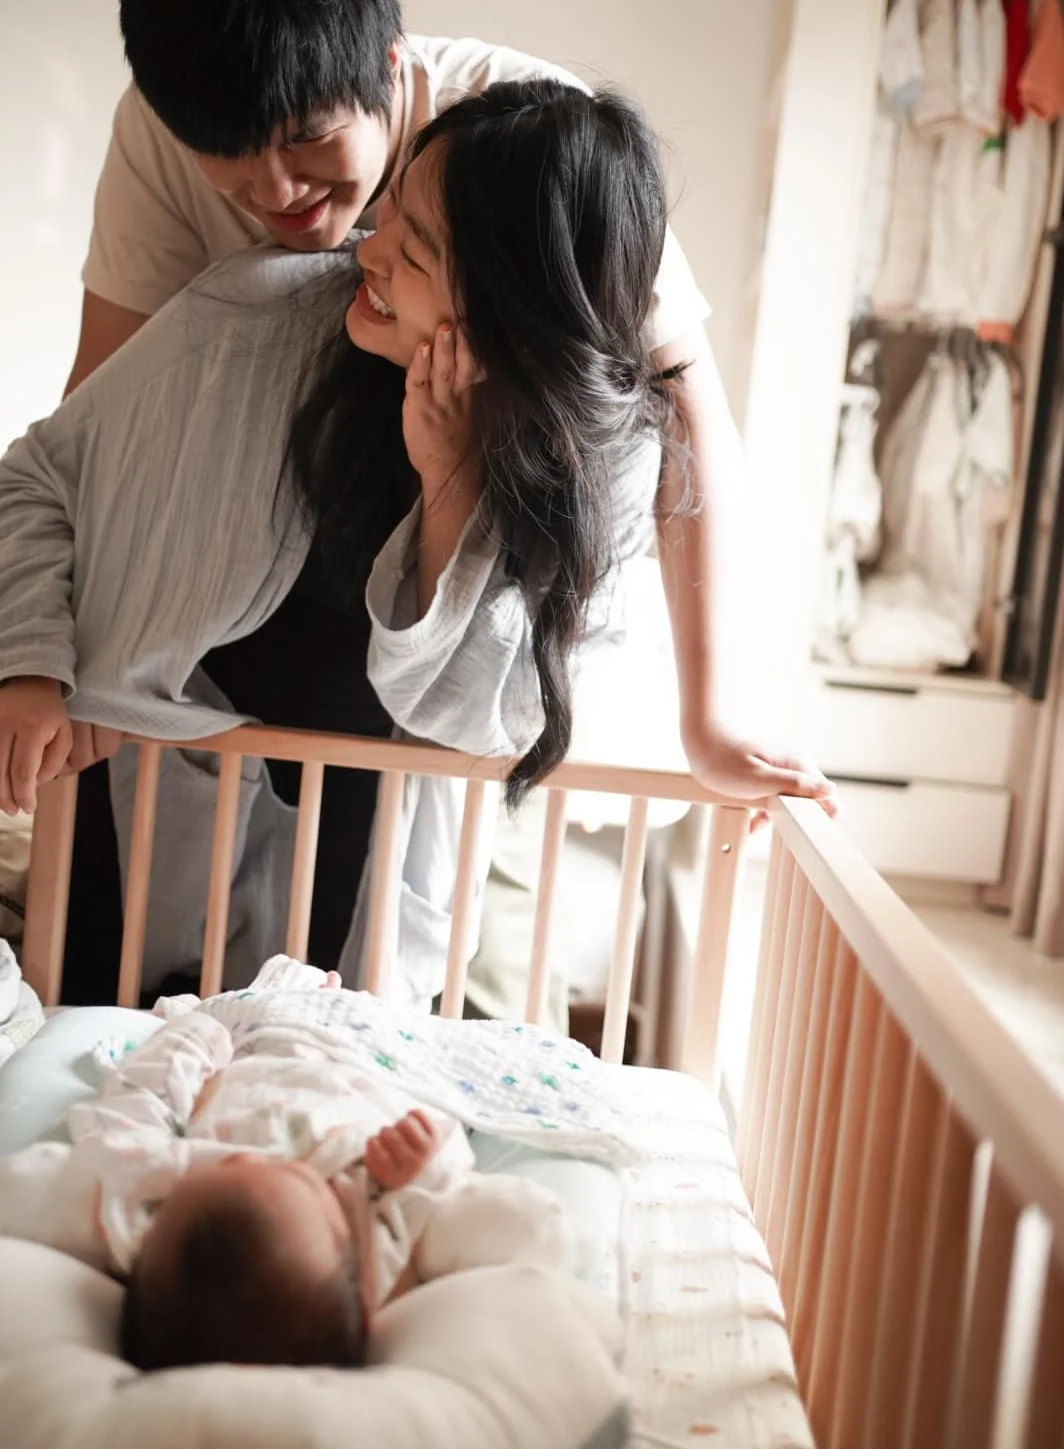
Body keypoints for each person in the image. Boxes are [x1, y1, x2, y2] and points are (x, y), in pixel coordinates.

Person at [61, 0, 837, 821]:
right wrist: (63, 657)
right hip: (266, 584)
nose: (277, 195)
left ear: (390, 67)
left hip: (487, 609)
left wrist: (709, 717)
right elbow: (94, 420)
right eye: (230, 163)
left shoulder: (531, 142)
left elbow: (686, 403)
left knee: (448, 835)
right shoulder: (166, 132)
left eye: (308, 139)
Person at [0, 79, 685, 1001]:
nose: (372, 249)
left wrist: (449, 477)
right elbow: (39, 474)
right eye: (391, 212)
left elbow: (480, 718)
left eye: (418, 250)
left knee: (318, 1101)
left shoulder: (606, 463)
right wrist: (32, 664)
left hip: (369, 857)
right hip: (140, 798)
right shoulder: (255, 317)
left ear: (510, 307)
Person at [0, 959, 574, 1372]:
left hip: (260, 1056)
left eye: (229, 1171)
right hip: (376, 1073)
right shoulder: (382, 1243)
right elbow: (494, 1220)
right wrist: (424, 1169)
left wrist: (193, 1039)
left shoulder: (143, 1196)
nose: (259, 1159)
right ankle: (325, 996)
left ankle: (300, 991)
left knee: (273, 1002)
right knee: (369, 1026)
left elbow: (132, 1107)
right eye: (307, 1183)